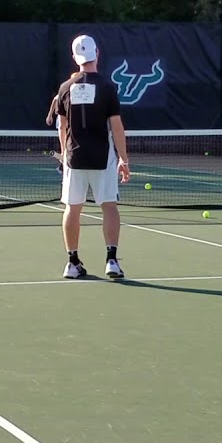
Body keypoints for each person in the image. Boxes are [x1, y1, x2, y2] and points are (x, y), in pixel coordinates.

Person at [53, 35, 131, 280]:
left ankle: (72, 263)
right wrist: (124, 160)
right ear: (97, 53)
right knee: (109, 206)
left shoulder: (65, 88)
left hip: (75, 159)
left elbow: (61, 127)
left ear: (75, 57)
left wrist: (65, 153)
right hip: (102, 156)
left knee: (72, 208)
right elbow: (116, 126)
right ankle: (112, 261)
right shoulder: (107, 86)